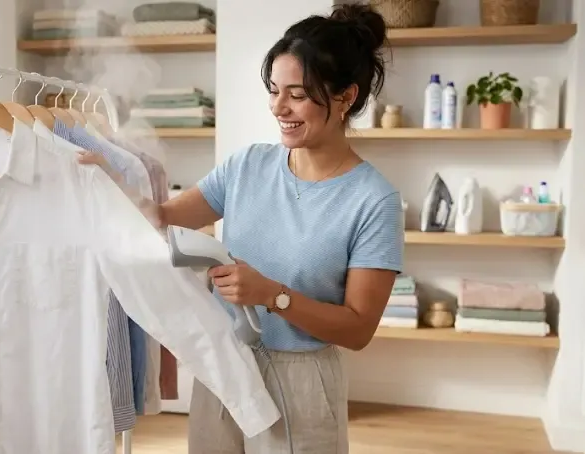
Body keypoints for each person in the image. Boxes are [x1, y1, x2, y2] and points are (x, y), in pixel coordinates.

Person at [78, 3, 403, 453]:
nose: (279, 107)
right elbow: (162, 217)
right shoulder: (247, 166)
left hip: (302, 380)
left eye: (297, 94)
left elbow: (357, 329)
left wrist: (272, 294)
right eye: (273, 91)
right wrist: (107, 178)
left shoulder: (374, 200)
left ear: (346, 96)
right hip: (226, 367)